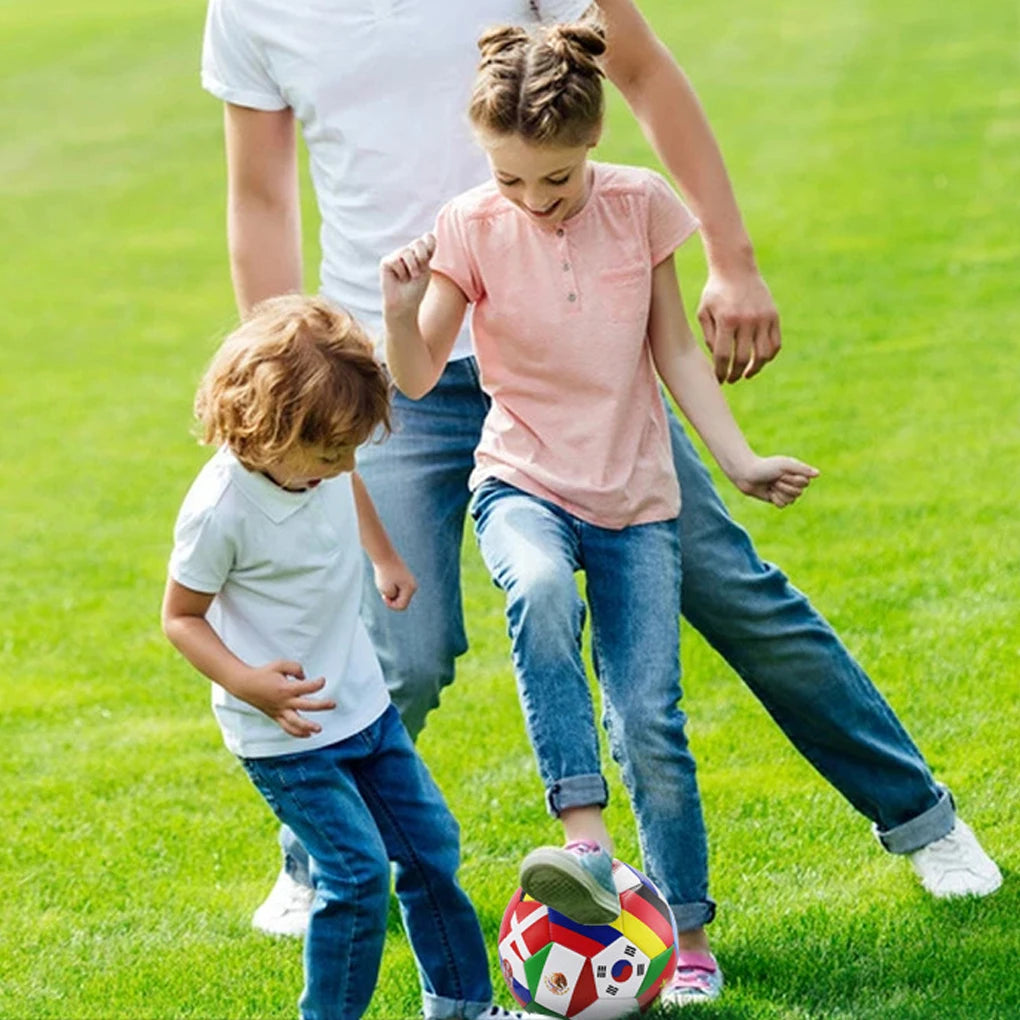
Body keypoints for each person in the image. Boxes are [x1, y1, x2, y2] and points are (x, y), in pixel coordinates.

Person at [201, 0, 1000, 989]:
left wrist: (732, 259)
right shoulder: (251, 10)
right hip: (393, 368)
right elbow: (261, 199)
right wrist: (285, 378)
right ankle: (318, 856)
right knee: (399, 651)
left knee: (732, 589)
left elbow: (645, 70)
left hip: (577, 361)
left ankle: (921, 819)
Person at [379, 20, 822, 1005]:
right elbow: (413, 377)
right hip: (521, 479)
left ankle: (687, 936)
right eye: (510, 178)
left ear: (591, 143)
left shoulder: (640, 206)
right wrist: (401, 312)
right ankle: (583, 839)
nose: (533, 200)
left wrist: (740, 461)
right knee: (537, 586)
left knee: (650, 724)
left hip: (635, 498)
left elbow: (673, 352)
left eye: (556, 179)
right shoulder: (469, 225)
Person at [161, 294, 530, 1020]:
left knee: (430, 848)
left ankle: (461, 1005)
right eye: (332, 454)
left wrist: (384, 557)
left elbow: (349, 482)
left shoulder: (322, 464)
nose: (347, 464)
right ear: (266, 430)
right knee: (357, 876)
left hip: (363, 704)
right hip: (287, 734)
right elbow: (180, 618)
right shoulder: (219, 510)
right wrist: (249, 684)